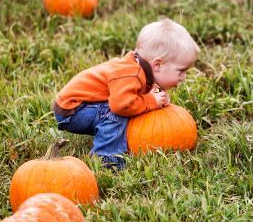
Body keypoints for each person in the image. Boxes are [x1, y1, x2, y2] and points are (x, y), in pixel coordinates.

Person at [52, 18, 200, 169]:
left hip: (85, 105)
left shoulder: (141, 67)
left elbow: (148, 86)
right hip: (73, 110)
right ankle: (107, 161)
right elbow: (121, 105)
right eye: (181, 71)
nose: (184, 77)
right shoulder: (131, 74)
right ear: (157, 64)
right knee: (117, 114)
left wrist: (157, 93)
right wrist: (151, 101)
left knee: (129, 107)